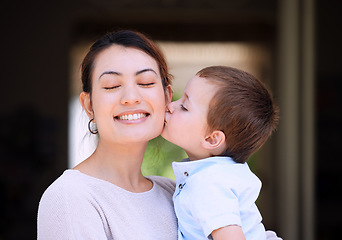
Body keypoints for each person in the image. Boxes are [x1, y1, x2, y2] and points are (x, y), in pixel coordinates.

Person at [37, 30, 176, 239]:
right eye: (112, 86)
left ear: (167, 97)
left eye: (146, 82)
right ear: (89, 104)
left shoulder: (174, 192)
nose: (131, 98)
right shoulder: (71, 197)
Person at [161, 66, 280, 240]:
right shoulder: (221, 175)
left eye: (184, 107)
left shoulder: (209, 183)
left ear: (211, 139)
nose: (171, 106)